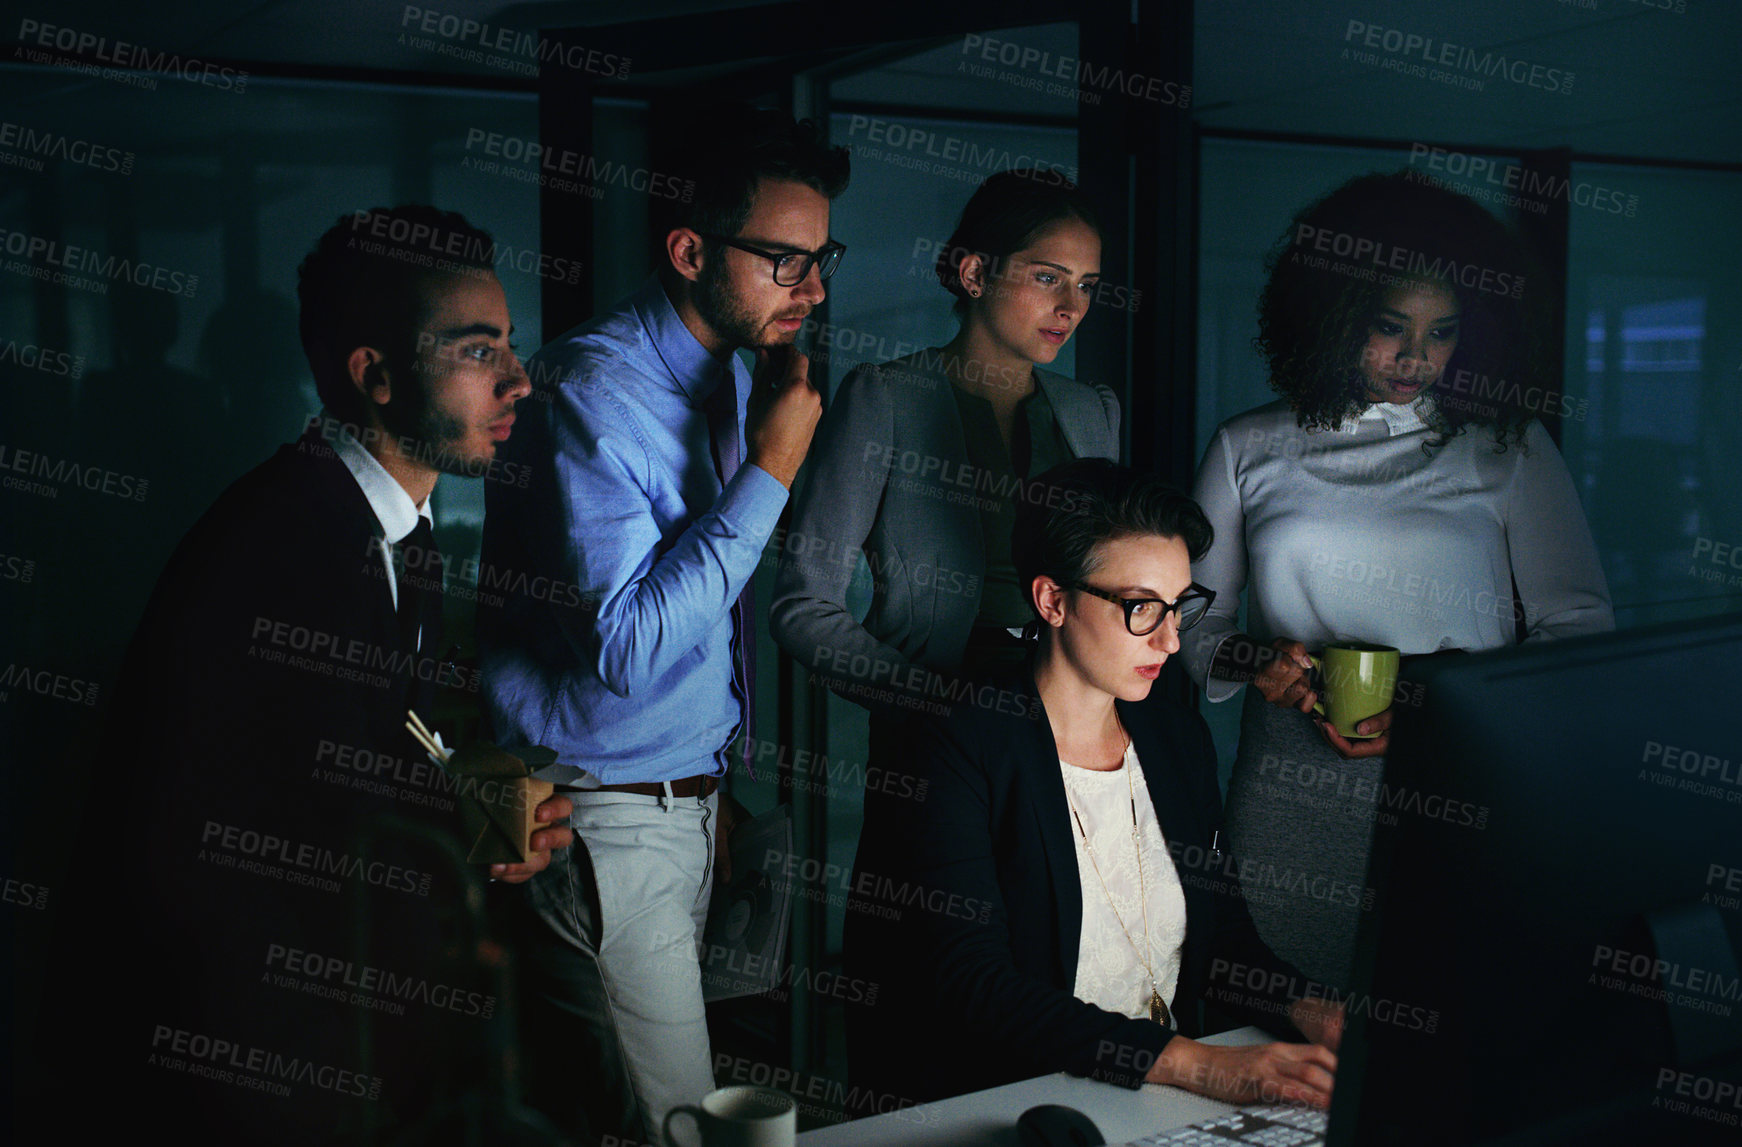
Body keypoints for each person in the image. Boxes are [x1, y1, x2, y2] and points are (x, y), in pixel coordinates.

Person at [35, 205, 574, 1143]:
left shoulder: (391, 528)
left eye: (511, 347)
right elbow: (293, 814)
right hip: (239, 1041)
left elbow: (366, 738)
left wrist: (481, 795)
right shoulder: (291, 547)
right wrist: (471, 813)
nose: (519, 381)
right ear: (376, 376)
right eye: (480, 352)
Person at [478, 107, 850, 1144]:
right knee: (680, 1128)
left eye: (822, 260)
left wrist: (708, 780)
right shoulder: (588, 392)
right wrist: (772, 470)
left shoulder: (730, 374)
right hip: (598, 819)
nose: (813, 290)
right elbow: (628, 654)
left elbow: (696, 627)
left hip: (677, 804)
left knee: (641, 1115)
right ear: (690, 251)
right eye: (785, 260)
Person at [1180, 171, 1614, 988]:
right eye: (1389, 327)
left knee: (1453, 1017)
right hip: (1293, 784)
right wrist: (1258, 664)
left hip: (1460, 770)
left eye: (1443, 332)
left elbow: (1578, 628)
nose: (1417, 357)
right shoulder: (1248, 447)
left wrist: (1443, 701)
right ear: (1329, 314)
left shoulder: (1508, 446)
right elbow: (1191, 625)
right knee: (1282, 1019)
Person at [845, 459, 1343, 1109]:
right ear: (1053, 600)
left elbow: (1225, 939)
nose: (1170, 640)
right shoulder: (951, 742)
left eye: (1180, 607)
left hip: (1152, 1099)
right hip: (1015, 1101)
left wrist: (1314, 1010)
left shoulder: (1176, 740)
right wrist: (1198, 1063)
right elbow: (973, 984)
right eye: (1140, 608)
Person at [771, 167, 1119, 720]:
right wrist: (934, 701)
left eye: (1087, 285)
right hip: (931, 730)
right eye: (1049, 278)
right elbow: (804, 608)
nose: (1071, 307)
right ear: (976, 272)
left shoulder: (1092, 412)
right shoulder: (885, 398)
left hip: (1067, 723)